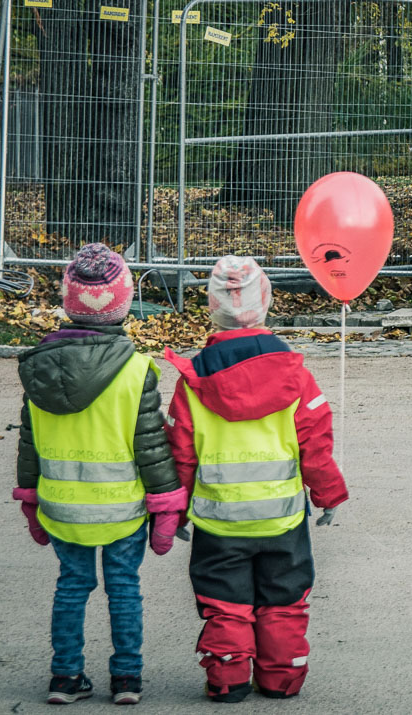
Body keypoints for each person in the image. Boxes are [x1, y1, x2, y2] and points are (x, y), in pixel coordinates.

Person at [163, 256, 348, 702]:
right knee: (284, 603)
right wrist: (328, 495)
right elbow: (315, 444)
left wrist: (177, 509)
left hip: (218, 521)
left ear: (211, 308)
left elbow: (181, 453)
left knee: (225, 605)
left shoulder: (194, 383)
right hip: (282, 519)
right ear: (267, 303)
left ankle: (227, 681)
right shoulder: (295, 376)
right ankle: (281, 680)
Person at [13, 243, 186, 706]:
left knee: (72, 586)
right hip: (123, 508)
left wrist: (30, 499)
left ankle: (65, 677)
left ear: (69, 301)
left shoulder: (38, 370)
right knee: (124, 587)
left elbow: (29, 442)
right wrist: (167, 506)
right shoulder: (135, 371)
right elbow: (151, 448)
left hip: (62, 506)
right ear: (123, 302)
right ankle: (127, 678)